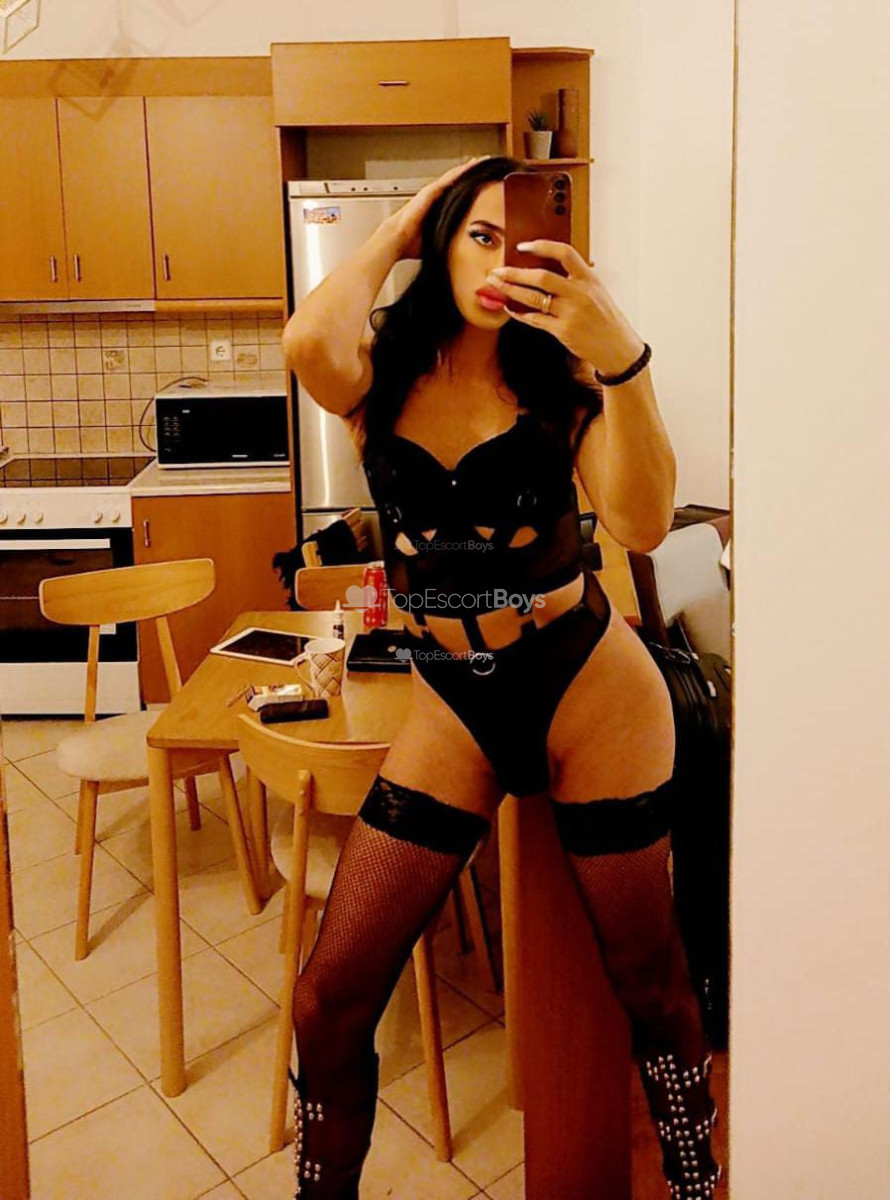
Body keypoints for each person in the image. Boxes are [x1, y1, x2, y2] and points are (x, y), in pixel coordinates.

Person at [281, 155, 722, 1199]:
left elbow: (642, 523)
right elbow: (306, 343)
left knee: (649, 978)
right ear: (441, 244)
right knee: (327, 999)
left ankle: (693, 1176)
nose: (499, 263)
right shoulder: (378, 374)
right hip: (454, 697)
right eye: (478, 236)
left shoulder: (565, 381)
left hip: (588, 687)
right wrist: (401, 224)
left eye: (519, 242)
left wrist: (623, 361)